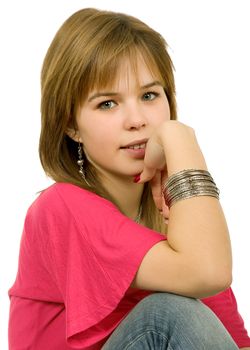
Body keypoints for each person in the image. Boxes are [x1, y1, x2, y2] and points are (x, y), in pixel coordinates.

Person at [8, 7, 250, 350]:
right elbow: (208, 272)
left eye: (149, 95)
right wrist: (182, 139)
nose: (137, 120)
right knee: (166, 314)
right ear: (71, 125)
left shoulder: (180, 225)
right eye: (107, 103)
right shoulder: (61, 207)